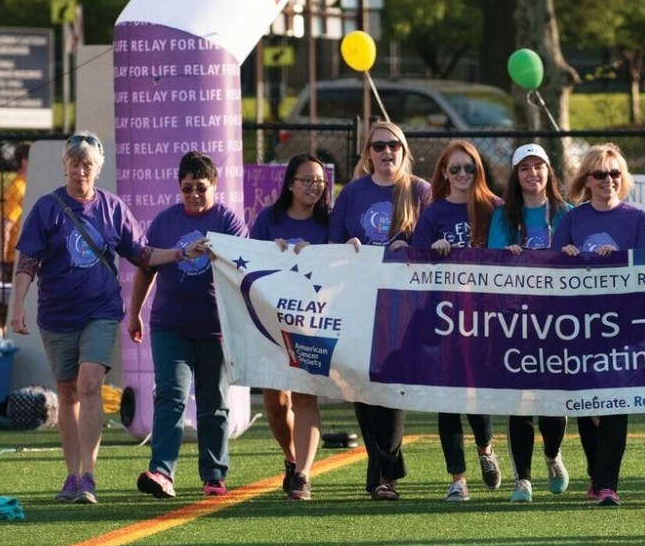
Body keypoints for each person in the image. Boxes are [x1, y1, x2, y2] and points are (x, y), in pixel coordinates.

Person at [10, 132, 188, 504]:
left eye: (87, 164)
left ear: (97, 168)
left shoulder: (112, 208)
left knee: (90, 383)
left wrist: (178, 254)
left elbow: (140, 254)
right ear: (65, 166)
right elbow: (27, 262)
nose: (80, 171)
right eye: (74, 164)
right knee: (67, 391)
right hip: (57, 314)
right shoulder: (47, 208)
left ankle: (88, 475)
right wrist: (17, 307)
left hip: (101, 312)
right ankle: (71, 475)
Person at [128, 151, 249, 499]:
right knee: (171, 396)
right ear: (178, 189)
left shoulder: (228, 221)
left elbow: (245, 272)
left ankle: (213, 474)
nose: (194, 195)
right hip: (170, 326)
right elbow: (146, 267)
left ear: (214, 185)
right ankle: (162, 471)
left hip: (216, 329)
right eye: (187, 189)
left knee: (214, 403)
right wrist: (135, 312)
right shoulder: (165, 222)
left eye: (201, 187)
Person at [330, 121, 431, 500]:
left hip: (405, 307)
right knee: (360, 384)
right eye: (379, 146)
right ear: (367, 153)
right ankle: (389, 464)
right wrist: (347, 247)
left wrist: (415, 249)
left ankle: (381, 476)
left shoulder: (420, 191)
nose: (387, 152)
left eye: (394, 146)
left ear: (404, 152)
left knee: (390, 387)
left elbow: (434, 242)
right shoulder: (353, 193)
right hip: (359, 300)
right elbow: (332, 243)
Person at [552, 143, 645, 507]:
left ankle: (608, 482)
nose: (608, 180)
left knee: (615, 403)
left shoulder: (637, 219)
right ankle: (597, 476)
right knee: (587, 405)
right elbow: (551, 272)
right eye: (599, 174)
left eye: (614, 173)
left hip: (622, 327)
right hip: (579, 326)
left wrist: (626, 259)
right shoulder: (571, 220)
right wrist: (563, 257)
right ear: (587, 180)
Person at [413, 139, 504, 502]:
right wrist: (432, 253)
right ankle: (457, 478)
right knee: (447, 396)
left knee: (475, 393)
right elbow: (418, 261)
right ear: (444, 174)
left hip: (484, 315)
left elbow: (507, 255)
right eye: (455, 169)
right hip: (443, 315)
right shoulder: (433, 214)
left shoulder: (494, 208)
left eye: (470, 168)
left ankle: (485, 449)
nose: (463, 175)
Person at [487, 143, 572, 503]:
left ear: (548, 172)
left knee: (552, 402)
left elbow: (578, 261)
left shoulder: (565, 213)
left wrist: (570, 255)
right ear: (516, 175)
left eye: (539, 167)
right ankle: (522, 479)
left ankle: (552, 455)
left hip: (556, 322)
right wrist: (506, 257)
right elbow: (491, 260)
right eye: (525, 168)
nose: (532, 174)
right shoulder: (504, 217)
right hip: (515, 321)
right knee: (519, 401)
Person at [250, 154, 330, 501]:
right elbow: (250, 262)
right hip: (272, 322)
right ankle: (290, 456)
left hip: (312, 322)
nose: (314, 186)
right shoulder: (270, 220)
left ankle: (303, 475)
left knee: (305, 395)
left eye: (319, 181)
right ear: (290, 183)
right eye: (307, 180)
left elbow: (344, 260)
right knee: (276, 402)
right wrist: (273, 254)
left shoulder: (330, 222)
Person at [0, 143, 30, 325]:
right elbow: (5, 226)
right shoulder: (16, 188)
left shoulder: (26, 185)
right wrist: (1, 259)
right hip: (12, 259)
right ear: (24, 162)